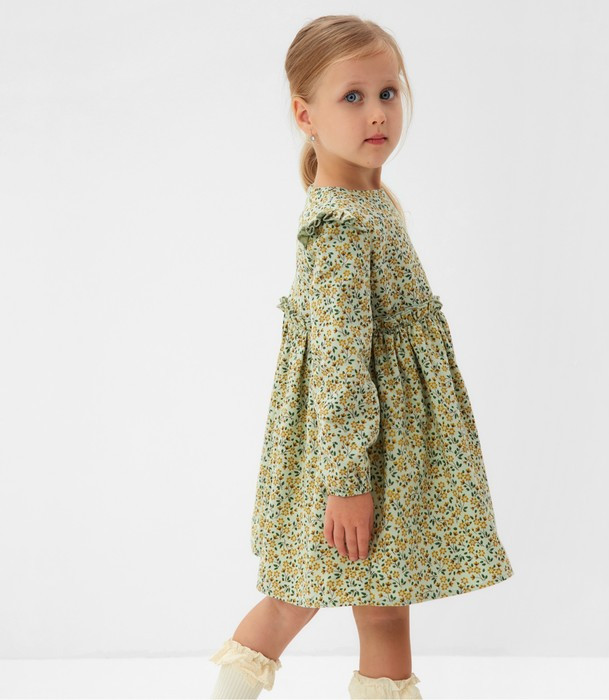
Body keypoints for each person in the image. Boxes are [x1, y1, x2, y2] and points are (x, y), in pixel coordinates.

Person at [209, 14, 514, 700]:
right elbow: (340, 364)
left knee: (380, 607)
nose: (377, 112)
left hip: (389, 453)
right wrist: (346, 481)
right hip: (353, 459)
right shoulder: (341, 227)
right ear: (305, 115)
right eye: (352, 97)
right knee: (295, 598)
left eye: (387, 92)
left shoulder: (371, 204)